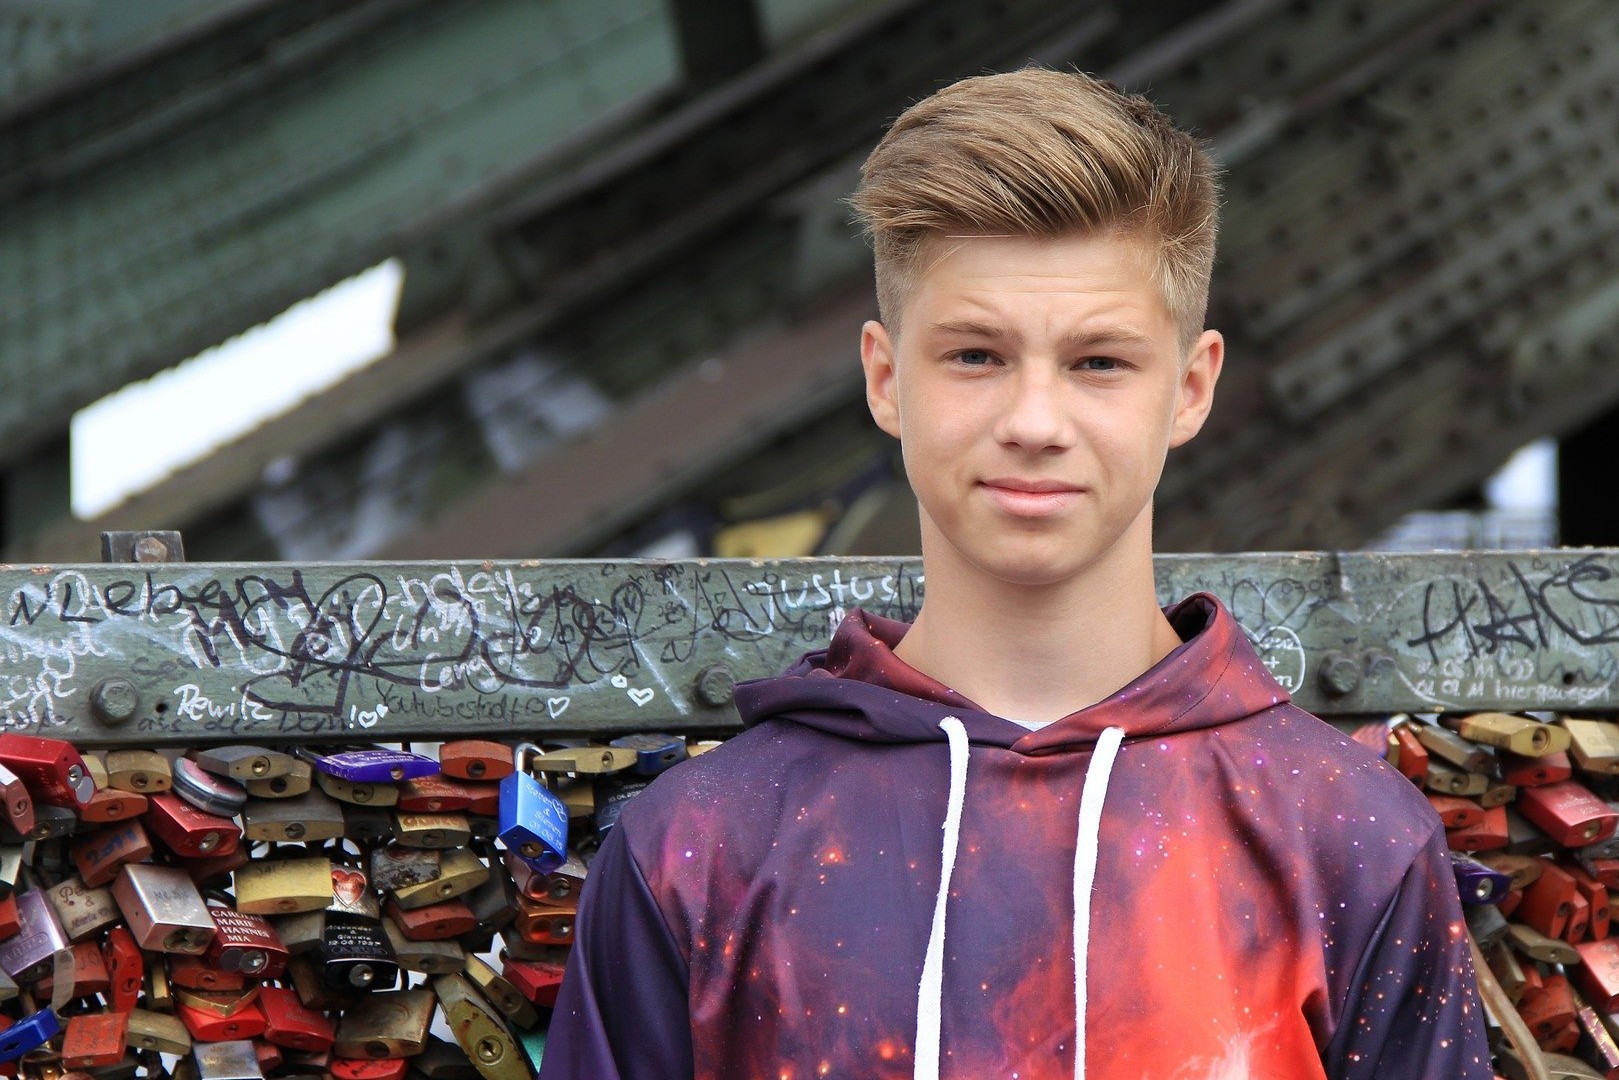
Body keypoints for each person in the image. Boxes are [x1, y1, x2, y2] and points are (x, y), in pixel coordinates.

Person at [542, 67, 1492, 1080]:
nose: (1035, 423)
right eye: (976, 356)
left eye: (1098, 363)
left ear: (1191, 387)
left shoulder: (1347, 838)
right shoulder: (698, 848)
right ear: (885, 377)